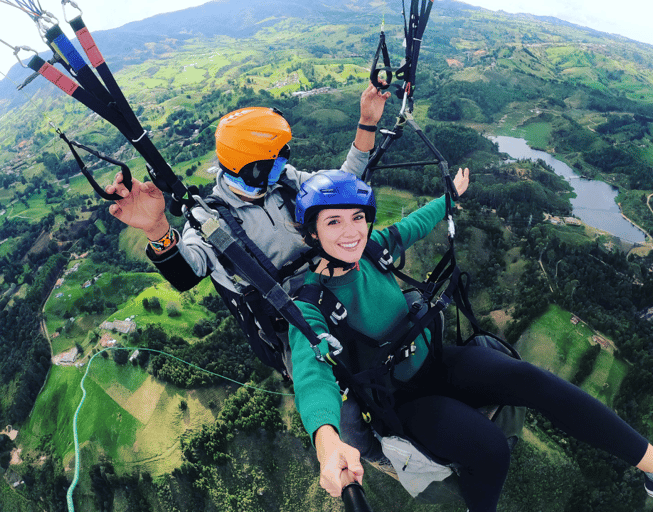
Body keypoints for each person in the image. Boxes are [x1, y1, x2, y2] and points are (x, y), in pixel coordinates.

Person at [289, 169, 653, 511]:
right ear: (312, 234)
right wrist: (327, 440)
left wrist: (450, 195)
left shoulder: (372, 250)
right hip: (401, 402)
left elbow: (414, 224)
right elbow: (311, 373)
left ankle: (650, 462)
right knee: (490, 449)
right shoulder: (310, 304)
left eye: (357, 217)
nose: (351, 231)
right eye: (333, 221)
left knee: (529, 378)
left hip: (435, 361)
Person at [104, 81, 391, 377]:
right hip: (294, 326)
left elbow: (343, 187)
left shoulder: (287, 182)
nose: (284, 162)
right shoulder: (210, 221)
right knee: (344, 397)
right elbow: (187, 274)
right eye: (276, 158)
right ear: (254, 169)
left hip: (335, 288)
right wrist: (156, 229)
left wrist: (367, 124)